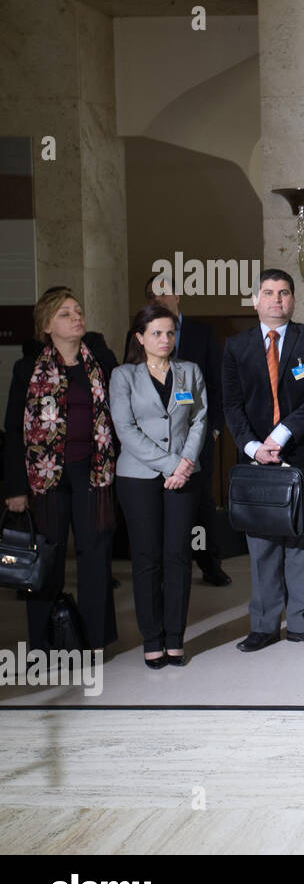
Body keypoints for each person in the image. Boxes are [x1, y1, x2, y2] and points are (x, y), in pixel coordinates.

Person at [222, 268, 304, 651]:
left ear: (293, 299)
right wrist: (255, 446)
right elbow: (232, 406)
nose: (277, 300)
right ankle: (264, 625)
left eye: (284, 292)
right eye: (269, 293)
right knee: (263, 544)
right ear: (255, 300)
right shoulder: (236, 347)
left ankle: (303, 624)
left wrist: (281, 435)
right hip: (258, 460)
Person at [3, 287, 118, 650]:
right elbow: (13, 431)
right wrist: (15, 488)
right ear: (47, 325)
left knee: (95, 555)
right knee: (46, 557)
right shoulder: (27, 369)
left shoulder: (100, 362)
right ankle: (44, 641)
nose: (76, 317)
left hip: (92, 472)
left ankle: (96, 640)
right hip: (45, 476)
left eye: (78, 311)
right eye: (66, 313)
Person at [110, 303, 207, 668]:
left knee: (178, 556)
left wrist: (185, 465)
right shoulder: (124, 376)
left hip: (185, 475)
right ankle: (151, 639)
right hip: (138, 478)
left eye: (170, 333)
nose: (164, 339)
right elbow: (125, 429)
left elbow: (199, 418)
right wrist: (172, 465)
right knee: (147, 558)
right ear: (140, 338)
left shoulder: (190, 372)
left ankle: (174, 637)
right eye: (156, 333)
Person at [129, 276, 228, 586]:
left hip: (196, 437)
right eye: (151, 295)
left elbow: (216, 382)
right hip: (153, 443)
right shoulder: (137, 335)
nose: (158, 299)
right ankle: (167, 565)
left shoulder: (202, 333)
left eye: (163, 292)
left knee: (200, 503)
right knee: (159, 506)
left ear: (178, 295)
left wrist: (213, 428)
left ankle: (210, 564)